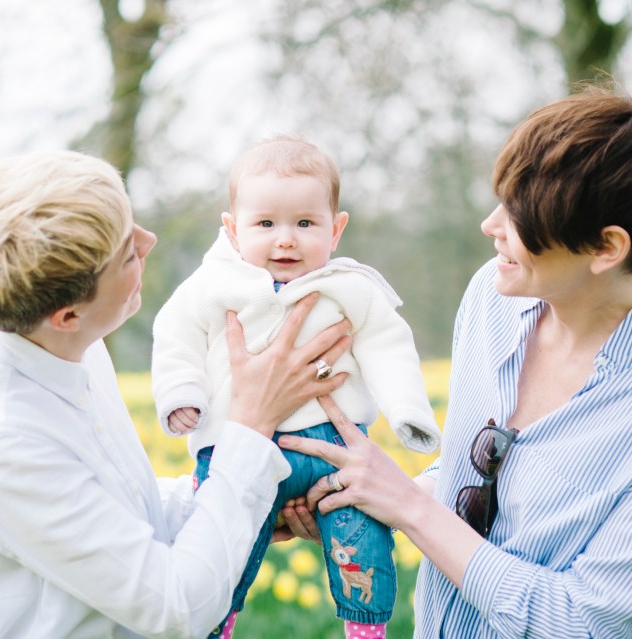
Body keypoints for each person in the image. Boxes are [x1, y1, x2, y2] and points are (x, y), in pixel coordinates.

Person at [279, 86, 632, 638]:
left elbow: (589, 622)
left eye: (520, 216)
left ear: (606, 248)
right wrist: (366, 498)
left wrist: (409, 509)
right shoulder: (494, 294)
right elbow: (481, 480)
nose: (490, 226)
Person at [0, 149, 352, 639]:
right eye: (126, 253)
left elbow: (116, 509)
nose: (148, 240)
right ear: (68, 315)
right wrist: (251, 424)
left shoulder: (66, 346)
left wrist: (251, 501)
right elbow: (176, 609)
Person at [150, 135, 440, 639]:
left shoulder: (350, 287)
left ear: (336, 229)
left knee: (364, 536)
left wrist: (407, 411)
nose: (285, 240)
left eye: (305, 224)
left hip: (335, 448)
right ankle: (217, 626)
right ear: (233, 230)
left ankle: (365, 630)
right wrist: (182, 394)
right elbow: (176, 338)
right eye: (265, 224)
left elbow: (388, 345)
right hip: (236, 446)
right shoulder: (212, 285)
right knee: (223, 549)